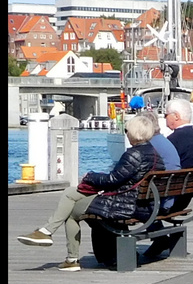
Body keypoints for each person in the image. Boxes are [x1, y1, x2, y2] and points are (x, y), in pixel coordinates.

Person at [16, 113, 161, 270]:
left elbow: (113, 179)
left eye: (127, 130)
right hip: (140, 202)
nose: (126, 133)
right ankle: (45, 232)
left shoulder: (133, 154)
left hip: (124, 203)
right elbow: (122, 179)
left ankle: (70, 258)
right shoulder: (154, 154)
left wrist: (90, 176)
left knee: (71, 212)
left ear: (133, 133)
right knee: (70, 193)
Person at [144, 98, 193, 262]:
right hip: (184, 198)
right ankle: (160, 240)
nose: (165, 118)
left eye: (166, 115)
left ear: (176, 116)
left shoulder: (173, 142)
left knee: (139, 200)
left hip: (169, 202)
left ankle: (159, 240)